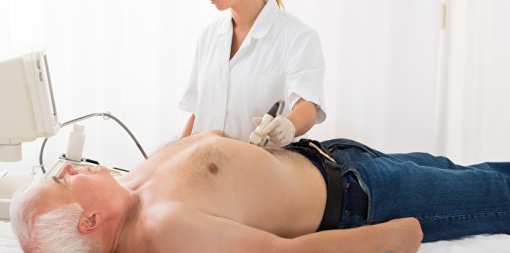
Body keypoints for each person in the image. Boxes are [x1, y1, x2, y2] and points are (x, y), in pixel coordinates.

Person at [11, 130, 510, 253]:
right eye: (63, 181)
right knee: (495, 193)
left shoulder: (130, 187)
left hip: (334, 158)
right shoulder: (161, 229)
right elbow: (280, 252)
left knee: (479, 173)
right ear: (89, 222)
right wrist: (388, 239)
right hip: (364, 199)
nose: (71, 167)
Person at [179, 0, 326, 146]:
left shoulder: (297, 36)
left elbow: (307, 105)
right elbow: (197, 113)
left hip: (259, 169)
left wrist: (289, 126)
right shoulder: (208, 36)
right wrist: (168, 161)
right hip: (207, 168)